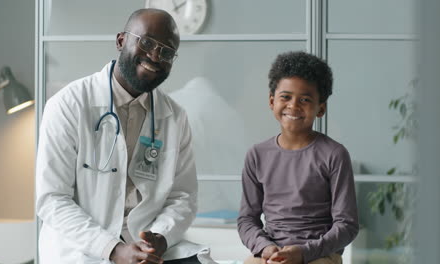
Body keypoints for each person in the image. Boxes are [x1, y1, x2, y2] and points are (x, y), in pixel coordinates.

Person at [36, 8, 215, 264]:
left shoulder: (174, 117)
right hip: (83, 249)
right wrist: (113, 249)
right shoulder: (69, 105)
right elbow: (52, 199)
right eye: (147, 42)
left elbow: (182, 196)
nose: (155, 56)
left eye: (166, 52)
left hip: (144, 247)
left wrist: (160, 238)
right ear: (121, 41)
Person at [237, 51, 359, 264]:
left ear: (321, 108)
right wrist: (265, 248)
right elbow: (247, 220)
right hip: (271, 254)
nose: (293, 106)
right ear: (272, 101)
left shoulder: (335, 155)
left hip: (319, 255)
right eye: (286, 97)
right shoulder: (256, 155)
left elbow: (346, 225)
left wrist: (303, 253)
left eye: (305, 99)